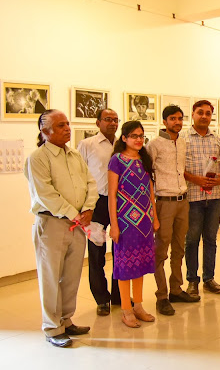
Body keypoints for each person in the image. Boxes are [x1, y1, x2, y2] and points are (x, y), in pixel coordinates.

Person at [24, 109, 98, 347]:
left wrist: (88, 209)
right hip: (52, 225)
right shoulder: (38, 158)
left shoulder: (74, 155)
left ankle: (66, 320)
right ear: (45, 132)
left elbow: (90, 182)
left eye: (67, 124)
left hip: (77, 225)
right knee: (50, 277)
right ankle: (52, 327)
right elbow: (46, 194)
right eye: (60, 126)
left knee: (71, 276)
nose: (67, 128)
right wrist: (75, 214)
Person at [147, 105, 200, 316]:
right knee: (160, 250)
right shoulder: (154, 145)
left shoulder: (183, 142)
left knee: (179, 248)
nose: (177, 122)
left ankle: (176, 289)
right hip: (164, 202)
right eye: (172, 119)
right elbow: (148, 176)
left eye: (180, 118)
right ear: (164, 121)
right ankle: (161, 295)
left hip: (182, 201)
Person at [108, 121, 158, 328]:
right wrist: (114, 225)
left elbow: (150, 191)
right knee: (125, 265)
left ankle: (138, 305)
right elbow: (112, 195)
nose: (138, 139)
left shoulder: (144, 159)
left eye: (141, 135)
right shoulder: (116, 160)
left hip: (144, 221)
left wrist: (154, 217)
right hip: (125, 222)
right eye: (134, 135)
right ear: (124, 138)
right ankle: (126, 308)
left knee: (139, 265)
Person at [77, 108, 121, 316]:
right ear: (98, 123)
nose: (112, 123)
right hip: (96, 205)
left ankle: (119, 294)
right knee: (96, 253)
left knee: (120, 250)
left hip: (120, 204)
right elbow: (79, 177)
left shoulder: (123, 144)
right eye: (108, 120)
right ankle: (102, 299)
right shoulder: (87, 145)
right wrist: (84, 206)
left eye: (115, 120)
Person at [183, 100, 220, 297]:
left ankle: (209, 278)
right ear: (192, 114)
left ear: (212, 116)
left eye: (208, 113)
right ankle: (192, 281)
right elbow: (178, 168)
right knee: (192, 240)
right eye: (200, 112)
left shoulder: (217, 139)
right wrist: (195, 179)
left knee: (211, 239)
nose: (204, 116)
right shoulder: (183, 138)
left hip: (214, 198)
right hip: (192, 198)